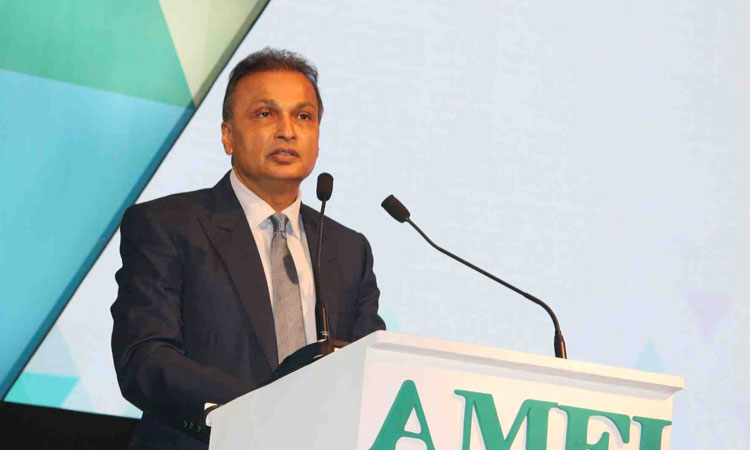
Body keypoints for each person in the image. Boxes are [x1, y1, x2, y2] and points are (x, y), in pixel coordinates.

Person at [111, 48, 386, 450]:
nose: (287, 131)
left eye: (303, 116)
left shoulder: (349, 250)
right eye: (265, 113)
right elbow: (145, 358)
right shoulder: (167, 226)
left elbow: (372, 371)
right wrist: (264, 413)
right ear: (228, 135)